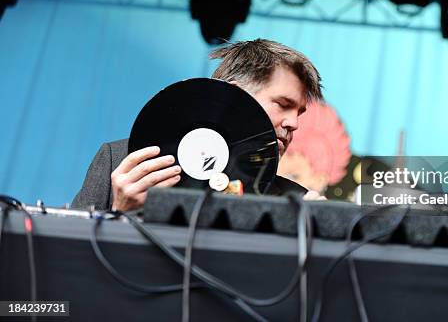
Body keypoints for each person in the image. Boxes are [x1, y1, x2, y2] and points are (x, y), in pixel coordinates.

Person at [71, 39, 324, 211]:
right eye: (282, 104)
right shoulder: (119, 163)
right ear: (236, 97)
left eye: (300, 112)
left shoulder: (295, 203)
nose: (294, 123)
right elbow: (69, 262)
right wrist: (121, 213)